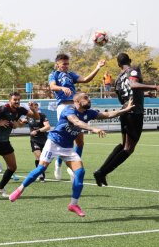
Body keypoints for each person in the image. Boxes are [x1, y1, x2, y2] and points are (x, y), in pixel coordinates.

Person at [8, 92, 134, 217]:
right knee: (41, 168)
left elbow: (107, 114)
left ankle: (73, 204)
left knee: (80, 172)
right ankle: (19, 190)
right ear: (77, 101)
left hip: (67, 148)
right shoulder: (69, 110)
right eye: (86, 98)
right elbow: (77, 122)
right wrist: (94, 129)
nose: (89, 100)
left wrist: (126, 110)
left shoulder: (89, 113)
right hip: (53, 142)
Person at [93, 53, 159, 187]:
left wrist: (145, 93)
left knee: (124, 146)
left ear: (118, 65)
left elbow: (123, 95)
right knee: (129, 149)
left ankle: (101, 171)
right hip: (134, 112)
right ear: (130, 60)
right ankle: (102, 172)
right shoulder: (133, 70)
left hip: (125, 110)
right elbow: (134, 85)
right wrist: (155, 87)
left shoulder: (118, 78)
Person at [49, 53, 105, 181]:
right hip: (63, 108)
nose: (66, 66)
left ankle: (71, 167)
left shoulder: (71, 74)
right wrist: (62, 88)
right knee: (65, 140)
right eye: (64, 64)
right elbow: (52, 86)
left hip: (75, 107)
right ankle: (58, 164)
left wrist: (97, 67)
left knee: (80, 141)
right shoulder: (54, 74)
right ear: (58, 64)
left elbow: (85, 79)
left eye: (68, 64)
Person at [0, 92, 39, 197]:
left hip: (5, 142)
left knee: (12, 167)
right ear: (10, 100)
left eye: (18, 99)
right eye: (15, 99)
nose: (17, 101)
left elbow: (36, 117)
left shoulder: (20, 110)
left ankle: (0, 188)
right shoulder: (3, 108)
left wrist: (32, 109)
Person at [19, 102, 51, 182]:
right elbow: (21, 125)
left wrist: (37, 131)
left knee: (44, 159)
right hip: (34, 140)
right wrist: (18, 119)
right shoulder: (28, 117)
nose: (34, 108)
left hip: (44, 140)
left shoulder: (42, 116)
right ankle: (41, 175)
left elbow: (47, 127)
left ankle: (40, 171)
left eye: (35, 107)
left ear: (37, 108)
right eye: (32, 107)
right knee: (39, 156)